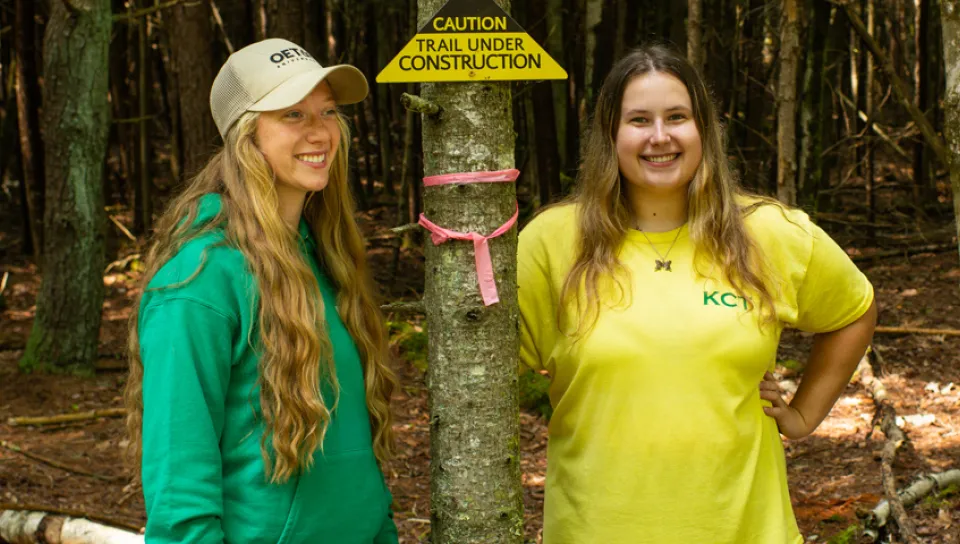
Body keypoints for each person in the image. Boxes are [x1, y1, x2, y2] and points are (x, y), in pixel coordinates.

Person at [517, 43, 877, 544]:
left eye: (677, 117)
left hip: (747, 531)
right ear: (610, 135)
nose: (660, 137)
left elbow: (853, 310)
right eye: (639, 120)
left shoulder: (768, 233)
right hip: (596, 530)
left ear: (704, 129)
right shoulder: (552, 242)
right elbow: (486, 375)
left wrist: (802, 414)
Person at [124, 39, 399, 543]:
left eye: (328, 112)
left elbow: (354, 457)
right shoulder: (198, 280)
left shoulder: (327, 259)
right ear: (247, 136)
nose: (320, 132)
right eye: (293, 114)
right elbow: (178, 486)